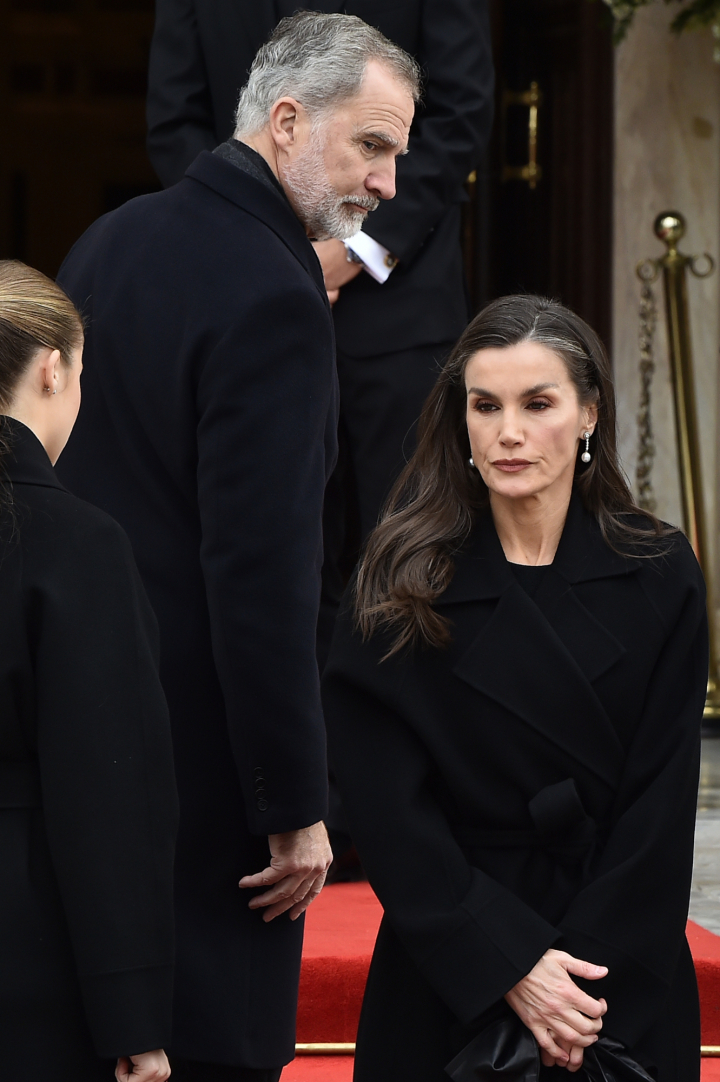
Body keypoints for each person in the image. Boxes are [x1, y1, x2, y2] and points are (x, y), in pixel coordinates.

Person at [56, 14, 419, 1080]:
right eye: (373, 146)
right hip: (207, 775)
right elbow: (261, 578)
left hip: (84, 725)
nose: (389, 183)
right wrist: (294, 805)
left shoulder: (109, 239)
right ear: (288, 120)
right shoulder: (275, 291)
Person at [322, 294, 707, 1082]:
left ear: (589, 412)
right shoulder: (399, 579)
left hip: (616, 972)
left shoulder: (661, 571)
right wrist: (510, 963)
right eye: (485, 405)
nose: (508, 432)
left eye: (538, 403)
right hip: (452, 963)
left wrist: (577, 987)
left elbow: (663, 801)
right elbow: (388, 810)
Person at [145, 0, 495, 663]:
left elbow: (461, 109)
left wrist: (353, 247)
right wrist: (260, 236)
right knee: (262, 546)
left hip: (398, 312)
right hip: (243, 301)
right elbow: (174, 119)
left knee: (412, 551)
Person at [0, 261, 177, 1082]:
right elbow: (110, 797)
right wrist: (133, 1017)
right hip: (24, 950)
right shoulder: (73, 541)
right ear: (53, 368)